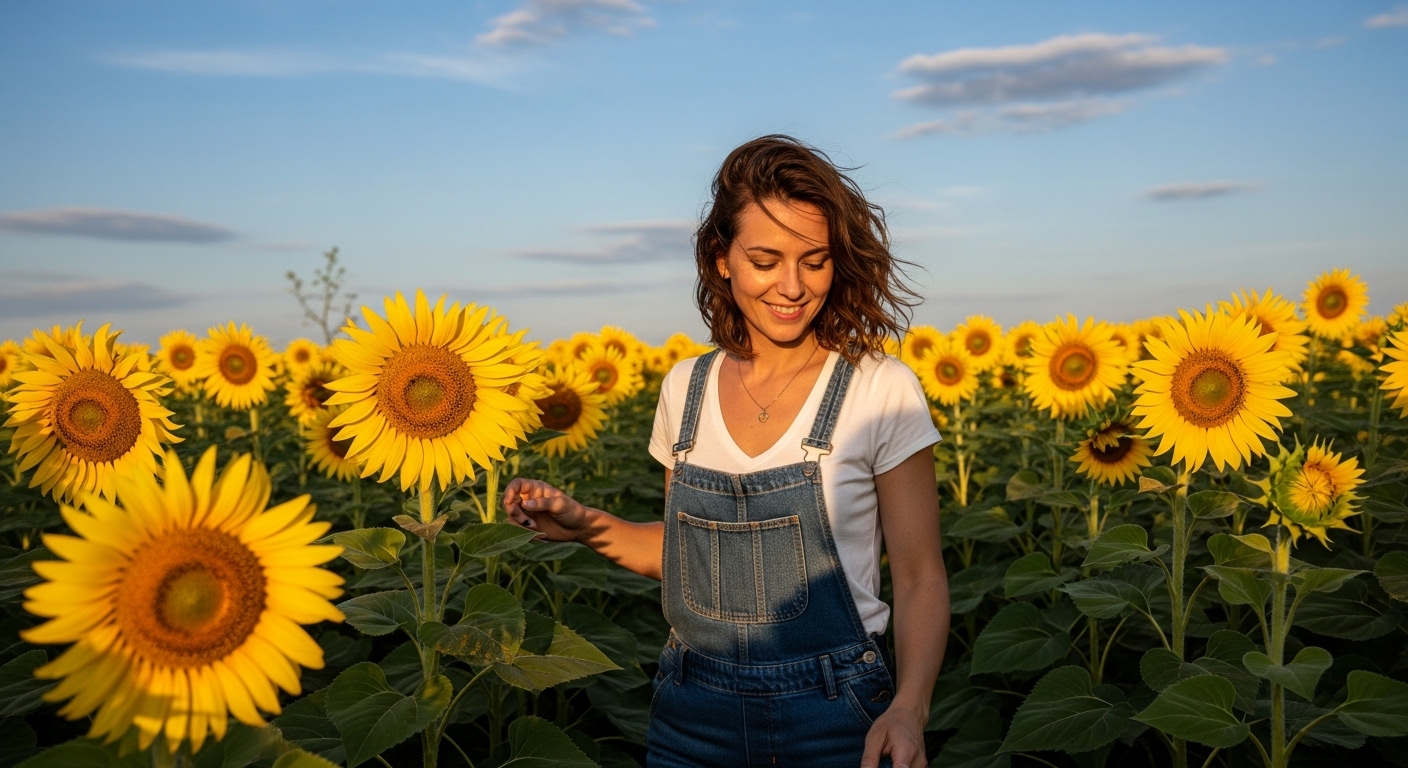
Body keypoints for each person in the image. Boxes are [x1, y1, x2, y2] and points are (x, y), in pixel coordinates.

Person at [504, 135, 949, 768]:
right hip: (691, 715)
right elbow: (694, 560)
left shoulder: (881, 389)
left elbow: (920, 575)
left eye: (814, 260)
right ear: (722, 259)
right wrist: (586, 526)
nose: (792, 286)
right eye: (766, 260)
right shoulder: (684, 388)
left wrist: (909, 707)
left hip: (837, 716)